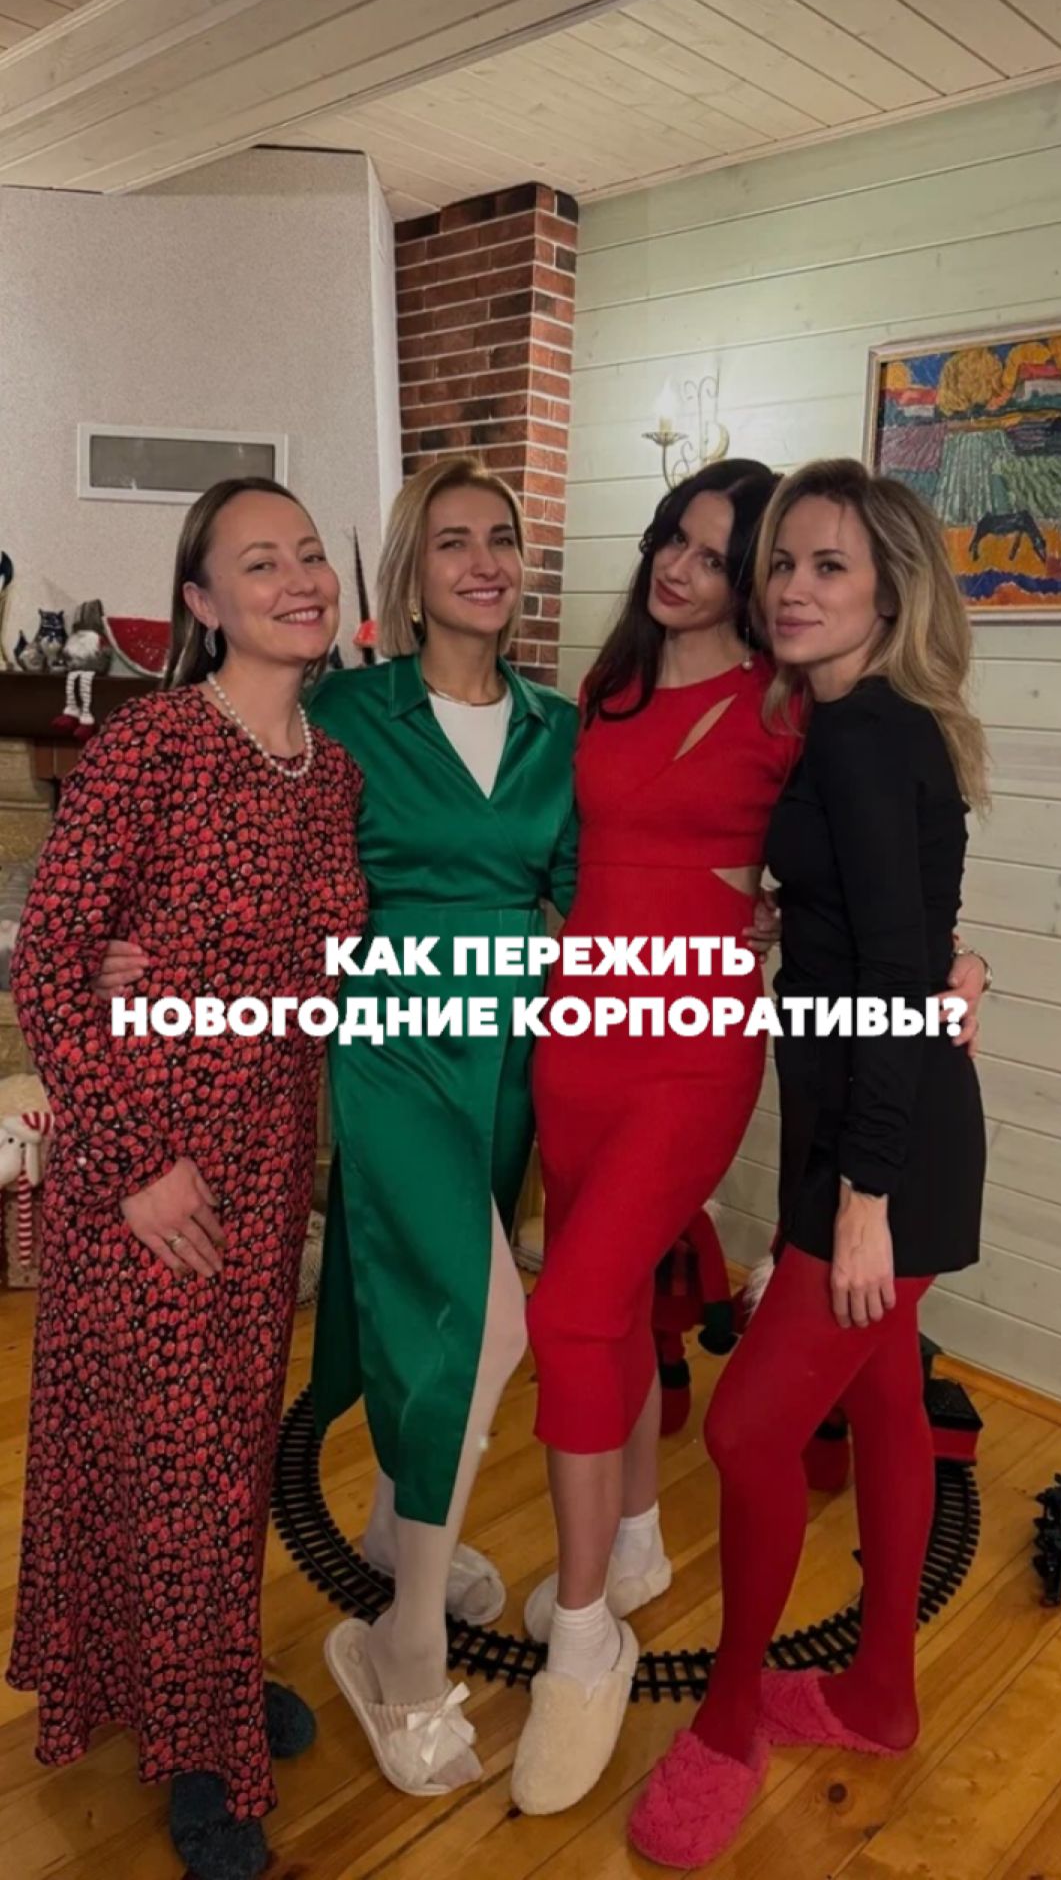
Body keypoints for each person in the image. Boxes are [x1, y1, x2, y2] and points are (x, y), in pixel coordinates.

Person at [511, 459, 987, 1817]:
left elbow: (897, 965)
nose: (788, 588)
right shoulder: (851, 722)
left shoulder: (850, 730)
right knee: (882, 1404)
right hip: (845, 1118)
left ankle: (722, 1731)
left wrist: (861, 1196)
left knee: (742, 1433)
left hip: (875, 1147)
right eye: (781, 563)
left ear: (890, 589)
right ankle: (878, 1694)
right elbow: (890, 927)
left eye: (821, 565)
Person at [9, 478, 367, 1880]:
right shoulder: (152, 744)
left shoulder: (329, 773)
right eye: (259, 563)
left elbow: (314, 970)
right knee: (175, 1460)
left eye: (310, 556)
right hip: (146, 1168)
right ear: (203, 603)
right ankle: (202, 1754)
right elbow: (48, 965)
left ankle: (195, 1678)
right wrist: (137, 1166)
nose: (299, 580)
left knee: (220, 1453)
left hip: (268, 1159)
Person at [305, 456, 579, 1798]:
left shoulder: (558, 728)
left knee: (432, 1315)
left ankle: (388, 1520)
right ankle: (401, 1642)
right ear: (412, 571)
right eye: (454, 540)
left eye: (502, 539)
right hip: (395, 1037)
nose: (483, 561)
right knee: (486, 1320)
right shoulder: (345, 710)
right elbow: (262, 852)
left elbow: (588, 887)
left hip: (510, 1050)